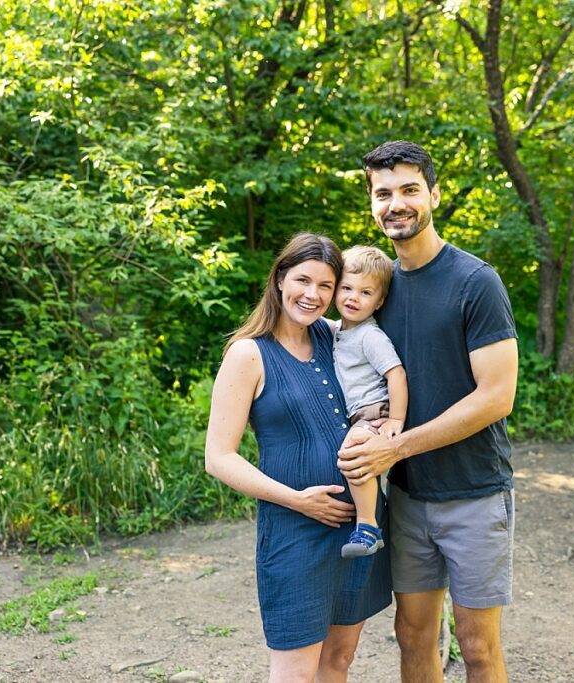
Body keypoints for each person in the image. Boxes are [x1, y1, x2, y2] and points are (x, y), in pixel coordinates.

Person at [337, 141, 519, 683]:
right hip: (408, 498)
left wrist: (397, 446)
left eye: (409, 189)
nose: (396, 203)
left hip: (473, 492)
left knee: (477, 646)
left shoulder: (475, 281)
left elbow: (496, 396)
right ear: (372, 204)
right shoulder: (378, 289)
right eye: (383, 193)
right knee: (413, 636)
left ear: (434, 195)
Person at [204, 233, 391, 683]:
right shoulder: (249, 353)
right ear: (280, 279)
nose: (313, 295)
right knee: (295, 673)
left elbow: (378, 389)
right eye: (303, 280)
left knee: (339, 660)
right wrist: (298, 500)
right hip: (295, 533)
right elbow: (218, 457)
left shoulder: (336, 337)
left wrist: (385, 432)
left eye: (326, 286)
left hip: (358, 529)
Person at [331, 245, 408, 558]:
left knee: (354, 453)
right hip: (358, 415)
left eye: (365, 293)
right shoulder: (337, 330)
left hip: (374, 413)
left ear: (379, 302)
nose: (353, 298)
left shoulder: (369, 336)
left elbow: (396, 374)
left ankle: (367, 527)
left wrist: (396, 420)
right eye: (346, 288)